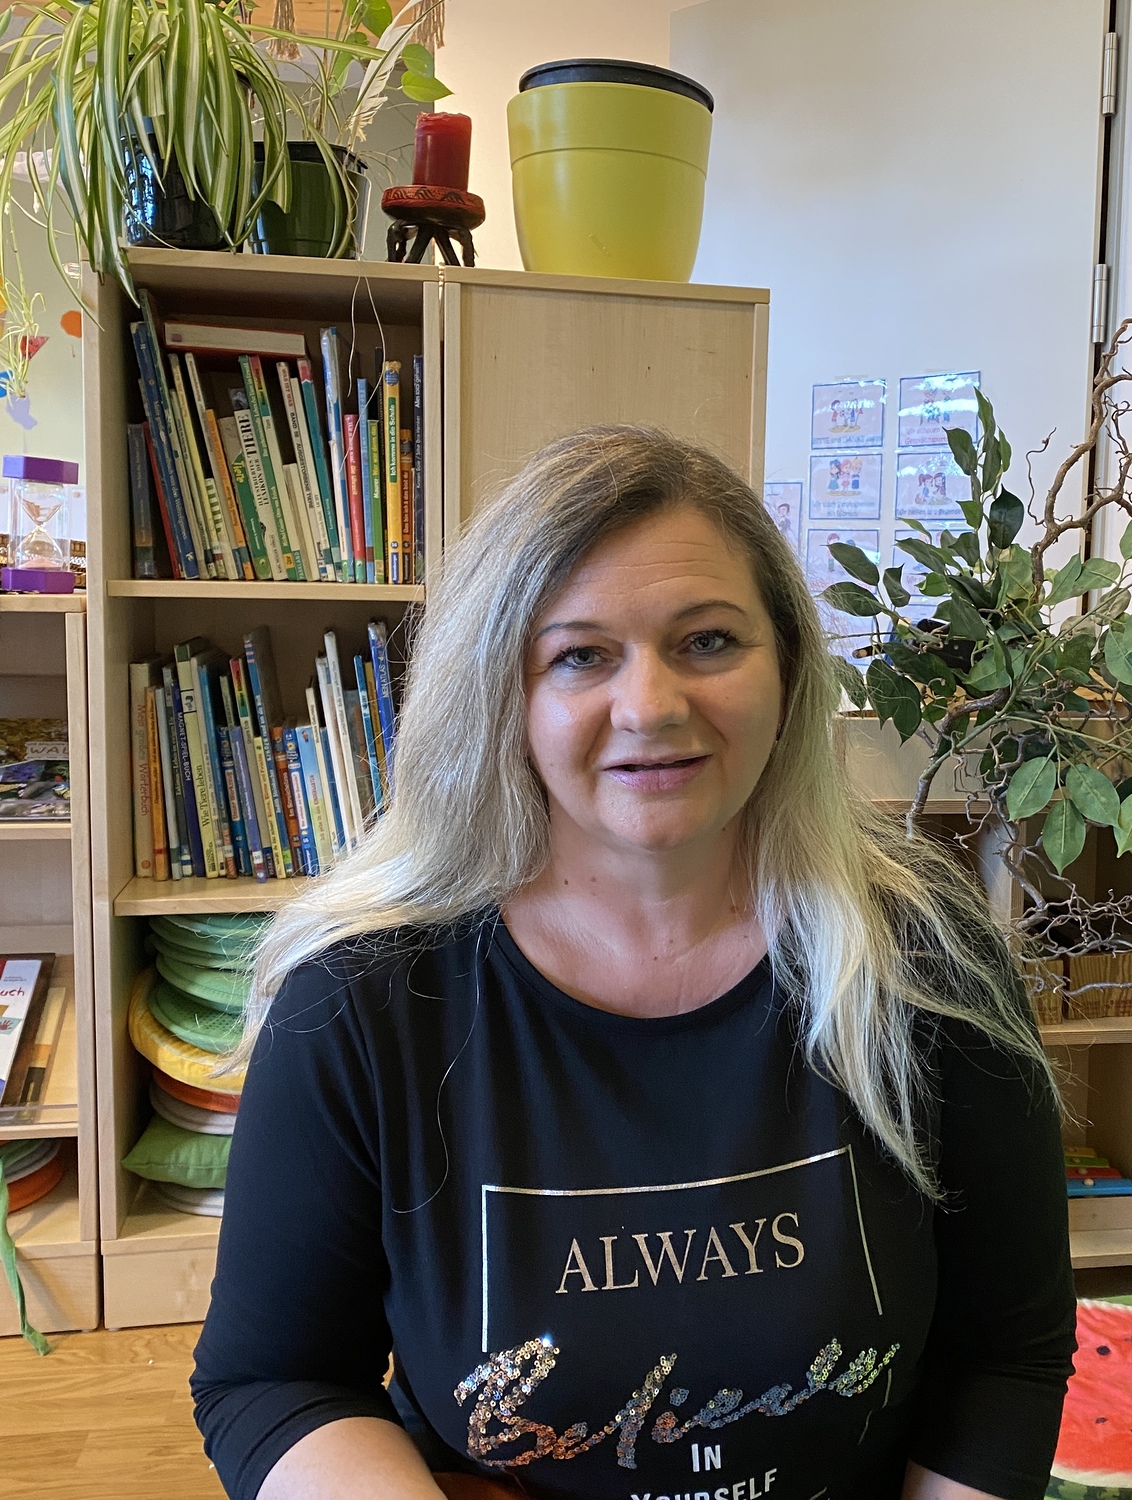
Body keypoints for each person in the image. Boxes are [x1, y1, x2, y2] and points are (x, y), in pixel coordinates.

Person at [191, 427, 1076, 1500]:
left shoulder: (929, 956)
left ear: (789, 669)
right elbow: (275, 1381)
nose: (652, 706)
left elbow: (1005, 1356)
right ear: (502, 692)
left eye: (708, 641)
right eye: (580, 655)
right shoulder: (362, 1001)